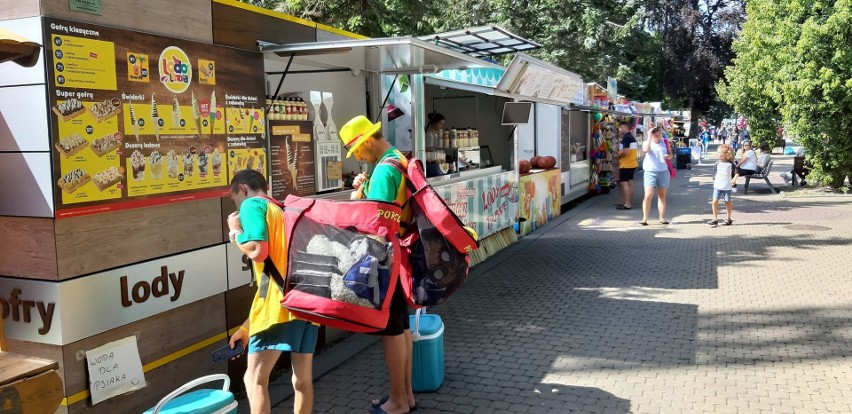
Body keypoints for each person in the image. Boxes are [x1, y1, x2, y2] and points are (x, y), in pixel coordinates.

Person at [340, 115, 416, 414]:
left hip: (386, 256)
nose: (357, 156)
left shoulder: (384, 171)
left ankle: (397, 401)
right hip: (401, 252)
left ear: (368, 140)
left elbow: (376, 223)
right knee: (402, 323)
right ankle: (406, 395)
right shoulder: (396, 159)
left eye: (356, 149)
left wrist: (355, 201)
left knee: (391, 328)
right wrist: (363, 189)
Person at [227, 169, 318, 414]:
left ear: (243, 189)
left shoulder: (251, 206)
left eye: (234, 198)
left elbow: (258, 251)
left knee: (254, 379)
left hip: (278, 310)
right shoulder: (279, 209)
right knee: (301, 380)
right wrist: (246, 328)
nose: (237, 206)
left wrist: (234, 232)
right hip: (305, 303)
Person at [640, 126, 673, 225]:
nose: (657, 135)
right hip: (650, 171)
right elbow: (646, 150)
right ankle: (644, 218)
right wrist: (649, 136)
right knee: (648, 194)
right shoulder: (647, 142)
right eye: (655, 134)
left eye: (659, 133)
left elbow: (671, 154)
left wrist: (669, 156)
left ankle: (662, 217)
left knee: (662, 195)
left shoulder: (665, 141)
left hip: (663, 171)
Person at [708, 144, 739, 227]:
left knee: (727, 202)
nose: (718, 154)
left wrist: (734, 179)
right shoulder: (717, 163)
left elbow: (737, 173)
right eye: (717, 152)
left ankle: (728, 218)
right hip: (717, 186)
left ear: (726, 154)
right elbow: (715, 174)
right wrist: (715, 179)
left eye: (720, 153)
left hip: (727, 186)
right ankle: (715, 219)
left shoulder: (731, 164)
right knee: (714, 201)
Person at [616, 122, 638, 210]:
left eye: (620, 128)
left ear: (625, 127)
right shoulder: (631, 137)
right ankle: (628, 201)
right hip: (632, 163)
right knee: (630, 182)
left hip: (626, 164)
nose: (619, 130)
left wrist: (617, 156)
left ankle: (627, 203)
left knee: (624, 183)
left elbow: (626, 151)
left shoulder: (626, 138)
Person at [425, 113, 446, 177]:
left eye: (442, 124)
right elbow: (428, 150)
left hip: (439, 161)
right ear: (434, 123)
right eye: (440, 124)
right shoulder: (430, 135)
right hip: (432, 163)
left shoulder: (439, 134)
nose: (441, 126)